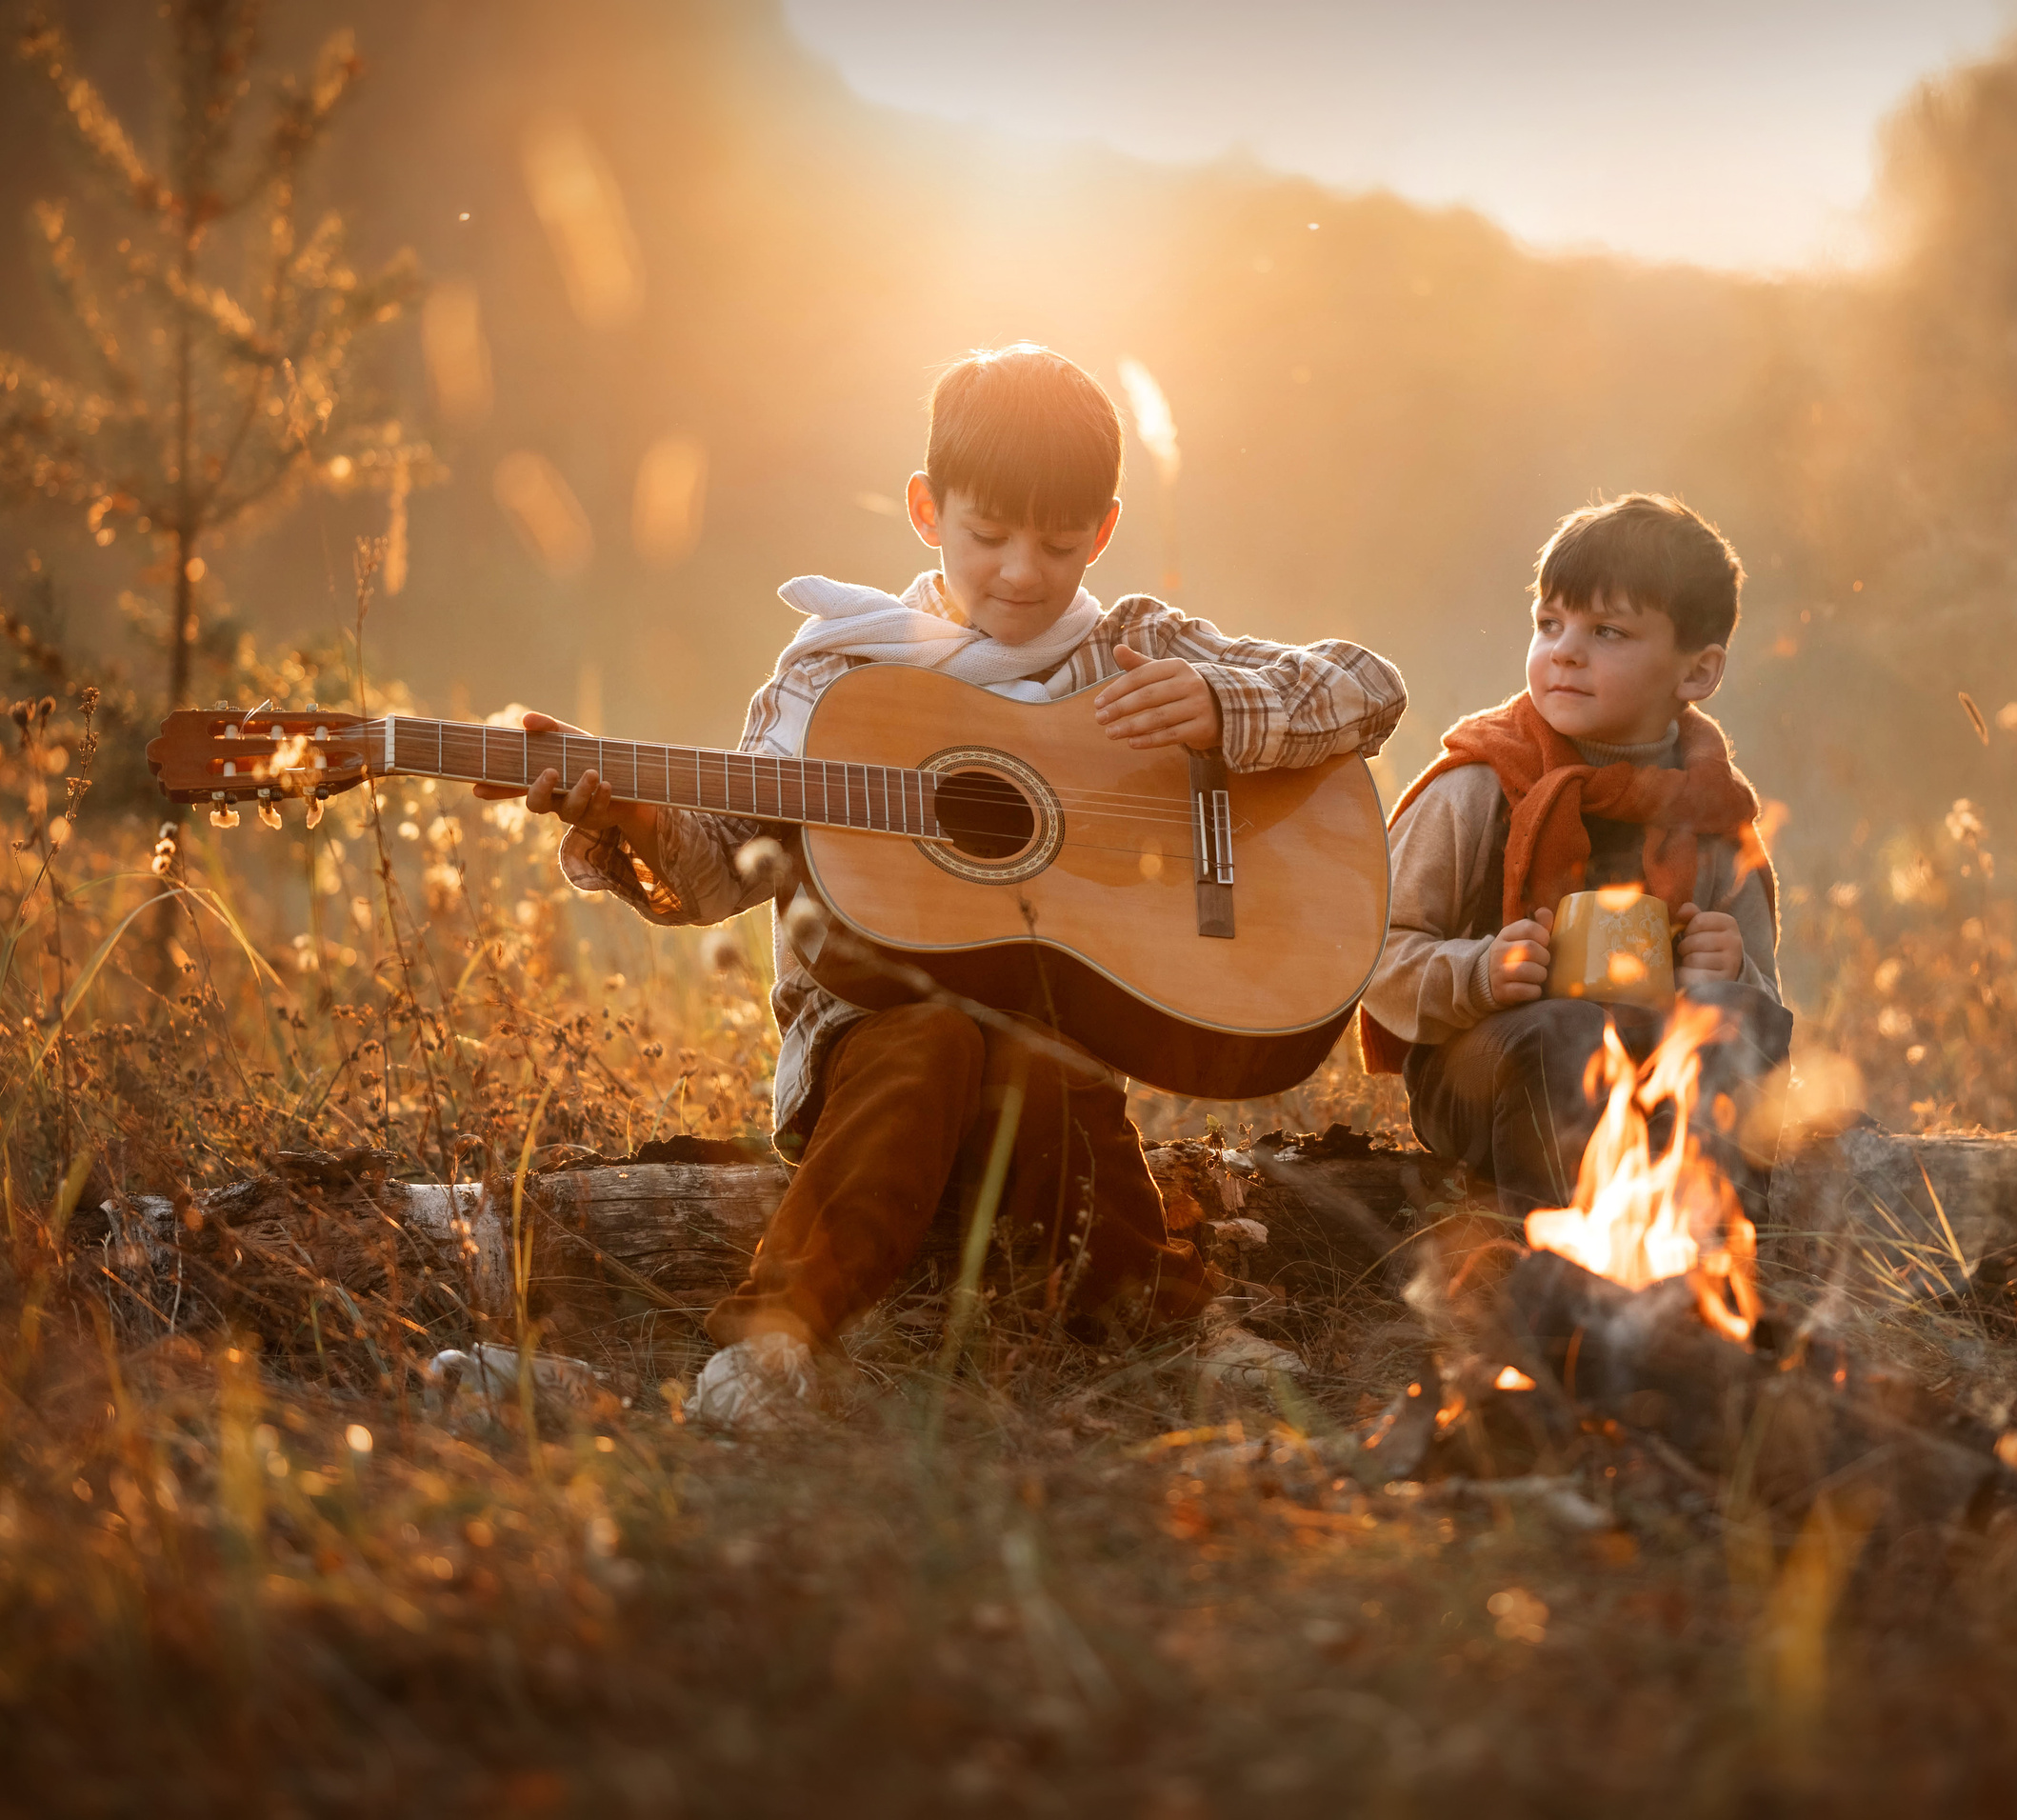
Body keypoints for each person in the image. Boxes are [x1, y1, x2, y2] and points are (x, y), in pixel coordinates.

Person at [479, 344, 1406, 1430]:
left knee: (1036, 1059)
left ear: (1101, 531)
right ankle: (769, 1348)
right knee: (937, 1038)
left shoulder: (1131, 646)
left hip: (1050, 1057)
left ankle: (1165, 1330)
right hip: (872, 1055)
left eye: (1058, 545)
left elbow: (1365, 687)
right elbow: (718, 868)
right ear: (927, 510)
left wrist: (1220, 706)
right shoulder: (838, 676)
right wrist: (630, 813)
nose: (1021, 571)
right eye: (988, 536)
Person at [1357, 492, 1790, 1221]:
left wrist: (1732, 966)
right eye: (1549, 624)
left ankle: (1707, 1265)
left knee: (1736, 1024)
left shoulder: (1713, 813)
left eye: (1609, 631)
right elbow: (1373, 958)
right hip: (1492, 1071)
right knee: (1568, 1032)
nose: (1565, 650)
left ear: (1697, 673)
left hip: (1654, 1075)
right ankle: (1563, 1273)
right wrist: (1481, 973)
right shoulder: (1480, 784)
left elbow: (1768, 1011)